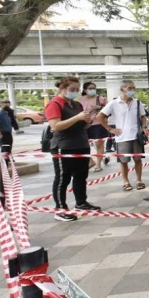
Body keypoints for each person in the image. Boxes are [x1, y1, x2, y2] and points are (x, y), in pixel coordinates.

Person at [45, 76, 101, 221]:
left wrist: (88, 120)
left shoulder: (76, 105)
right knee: (63, 178)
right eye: (72, 90)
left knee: (81, 176)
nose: (75, 92)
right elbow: (55, 126)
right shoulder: (54, 104)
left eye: (77, 89)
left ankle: (81, 202)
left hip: (81, 144)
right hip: (63, 146)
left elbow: (83, 125)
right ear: (62, 89)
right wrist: (77, 118)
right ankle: (60, 208)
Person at [98, 80, 148, 191]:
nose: (132, 90)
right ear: (122, 89)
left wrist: (144, 127)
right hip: (122, 137)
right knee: (123, 161)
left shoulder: (137, 102)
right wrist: (110, 129)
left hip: (136, 135)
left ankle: (139, 180)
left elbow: (143, 116)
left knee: (138, 159)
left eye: (133, 88)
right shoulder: (114, 103)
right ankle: (125, 181)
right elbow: (100, 116)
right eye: (129, 88)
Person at [79, 82, 109, 172]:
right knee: (83, 145)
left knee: (99, 144)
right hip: (84, 124)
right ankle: (90, 161)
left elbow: (108, 110)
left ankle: (99, 164)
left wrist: (98, 107)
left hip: (98, 124)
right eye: (90, 88)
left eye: (94, 88)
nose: (92, 90)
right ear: (85, 90)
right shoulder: (80, 99)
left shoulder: (100, 99)